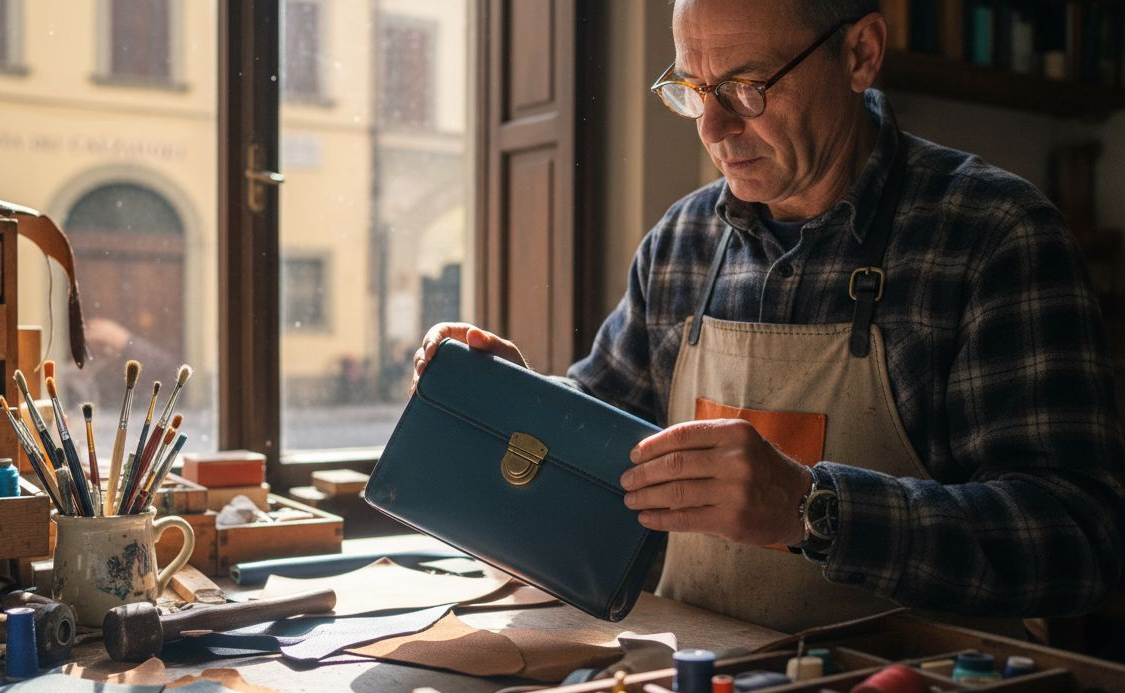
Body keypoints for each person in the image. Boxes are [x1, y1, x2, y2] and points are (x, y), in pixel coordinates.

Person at [410, 0, 1125, 633]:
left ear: (859, 54)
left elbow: (1080, 541)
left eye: (747, 87)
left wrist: (813, 510)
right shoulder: (682, 243)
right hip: (699, 690)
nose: (714, 128)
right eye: (692, 90)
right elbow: (600, 435)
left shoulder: (994, 236)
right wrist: (510, 405)